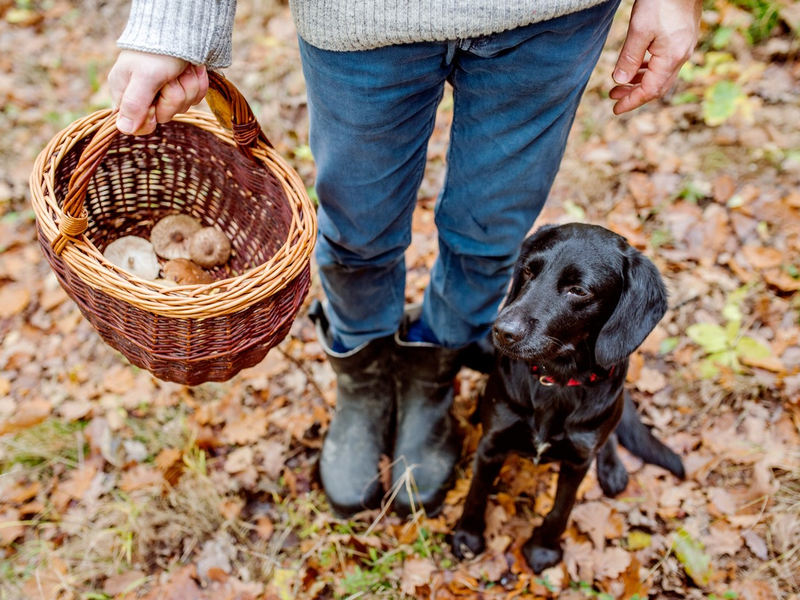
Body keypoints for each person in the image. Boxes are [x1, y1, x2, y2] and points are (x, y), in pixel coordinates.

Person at [109, 0, 701, 518]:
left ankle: (432, 378)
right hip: (359, 18)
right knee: (358, 232)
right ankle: (364, 382)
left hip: (550, 19)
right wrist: (174, 25)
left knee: (490, 237)